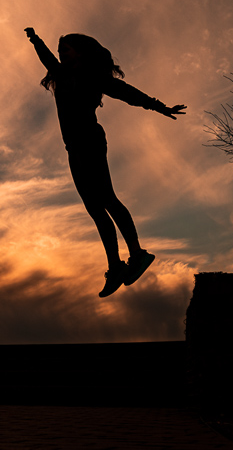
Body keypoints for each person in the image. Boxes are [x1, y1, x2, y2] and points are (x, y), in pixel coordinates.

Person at [25, 27, 186, 297]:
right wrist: (34, 39)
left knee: (107, 199)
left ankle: (137, 254)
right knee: (94, 208)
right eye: (59, 50)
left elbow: (129, 94)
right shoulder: (61, 74)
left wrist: (160, 106)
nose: (61, 54)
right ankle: (115, 266)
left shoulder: (94, 77)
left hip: (90, 140)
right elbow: (46, 58)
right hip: (73, 147)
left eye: (66, 49)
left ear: (81, 52)